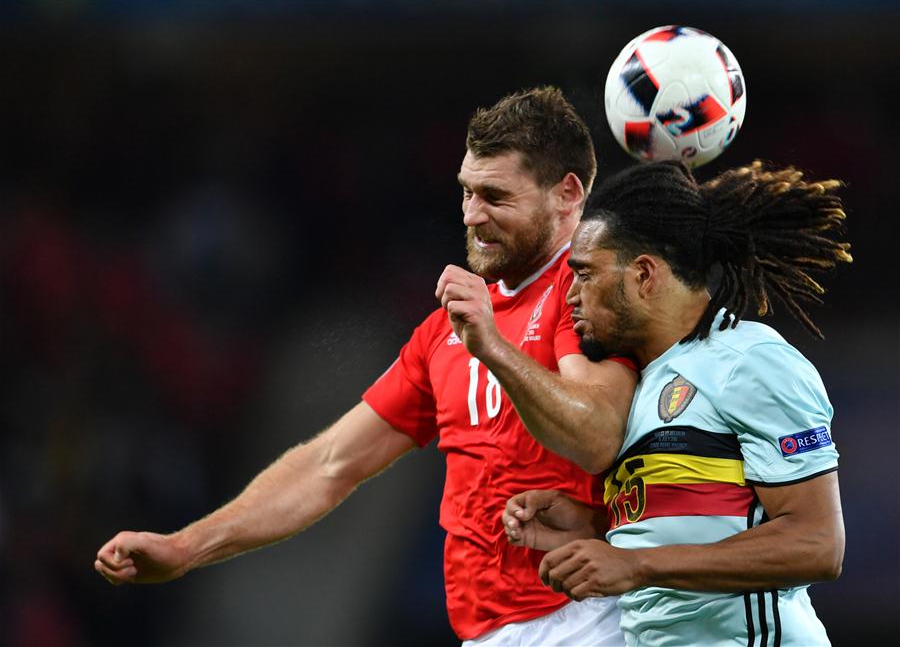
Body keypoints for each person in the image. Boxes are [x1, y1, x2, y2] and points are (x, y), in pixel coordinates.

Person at [95, 86, 638, 646]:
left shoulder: (592, 293)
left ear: (567, 194)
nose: (473, 215)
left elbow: (597, 437)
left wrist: (494, 349)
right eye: (466, 193)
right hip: (493, 633)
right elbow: (331, 464)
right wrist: (187, 547)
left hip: (594, 620)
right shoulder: (448, 331)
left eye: (495, 197)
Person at [475, 159, 849, 646]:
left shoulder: (748, 360)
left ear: (644, 275)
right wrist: (595, 526)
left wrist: (634, 564)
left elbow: (817, 543)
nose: (570, 295)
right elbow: (705, 517)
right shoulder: (641, 383)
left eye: (585, 274)